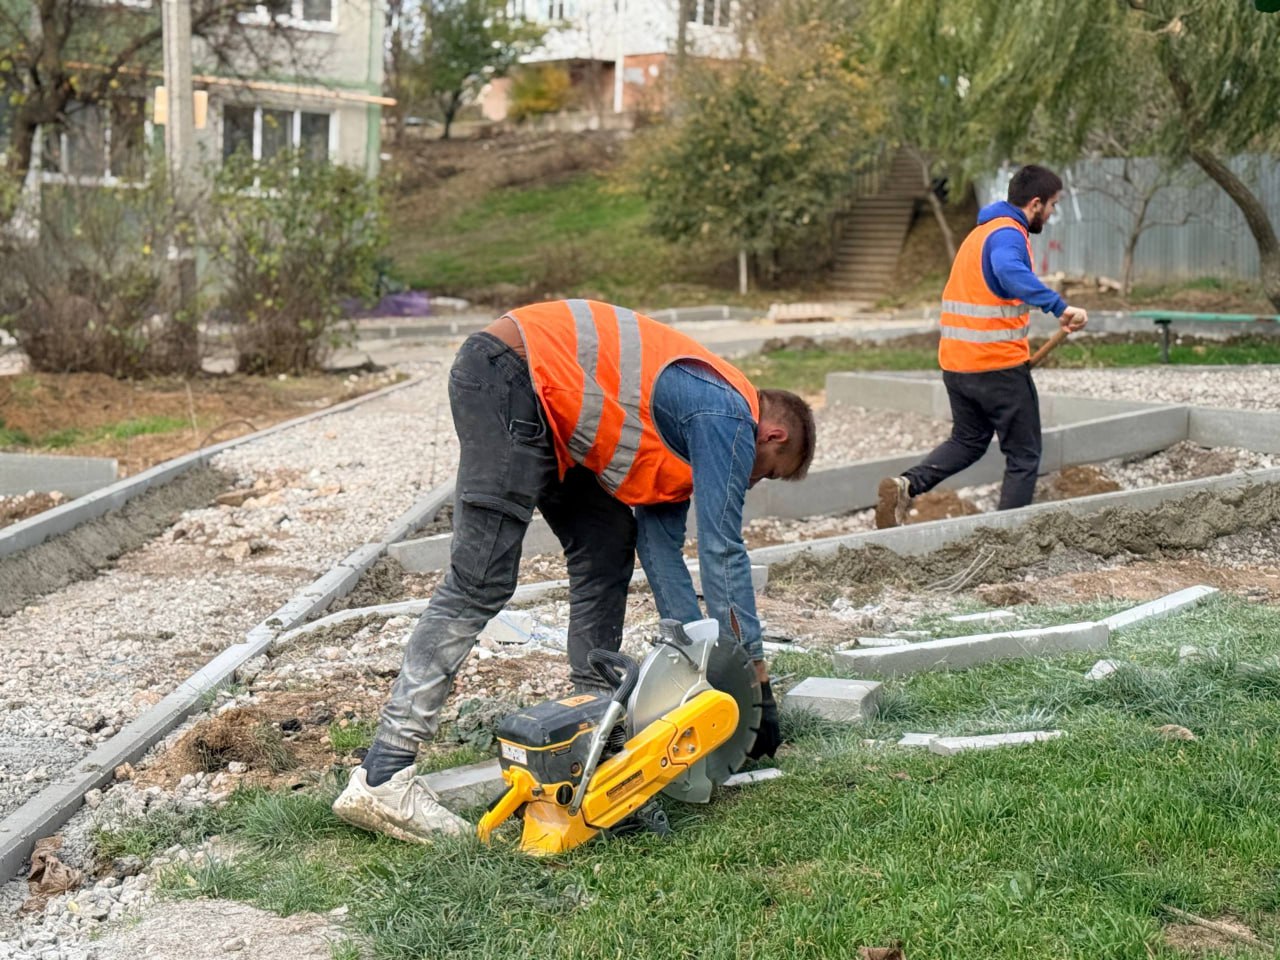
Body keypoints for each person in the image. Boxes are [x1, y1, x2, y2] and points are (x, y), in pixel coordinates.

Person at [333, 298, 816, 842]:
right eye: (769, 474)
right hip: (510, 374)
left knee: (609, 545)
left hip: (550, 413)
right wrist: (753, 676)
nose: (755, 483)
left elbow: (661, 552)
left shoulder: (682, 432)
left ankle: (591, 733)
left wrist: (697, 678)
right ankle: (385, 774)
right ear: (772, 436)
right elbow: (722, 549)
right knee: (482, 577)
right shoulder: (730, 415)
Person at [875, 164, 1089, 529]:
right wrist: (1060, 306)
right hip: (997, 367)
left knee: (969, 440)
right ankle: (1006, 537)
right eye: (1052, 206)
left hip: (958, 366)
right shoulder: (1008, 234)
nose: (1052, 214)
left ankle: (908, 484)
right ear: (1035, 204)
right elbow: (1008, 272)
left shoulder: (979, 234)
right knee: (1023, 454)